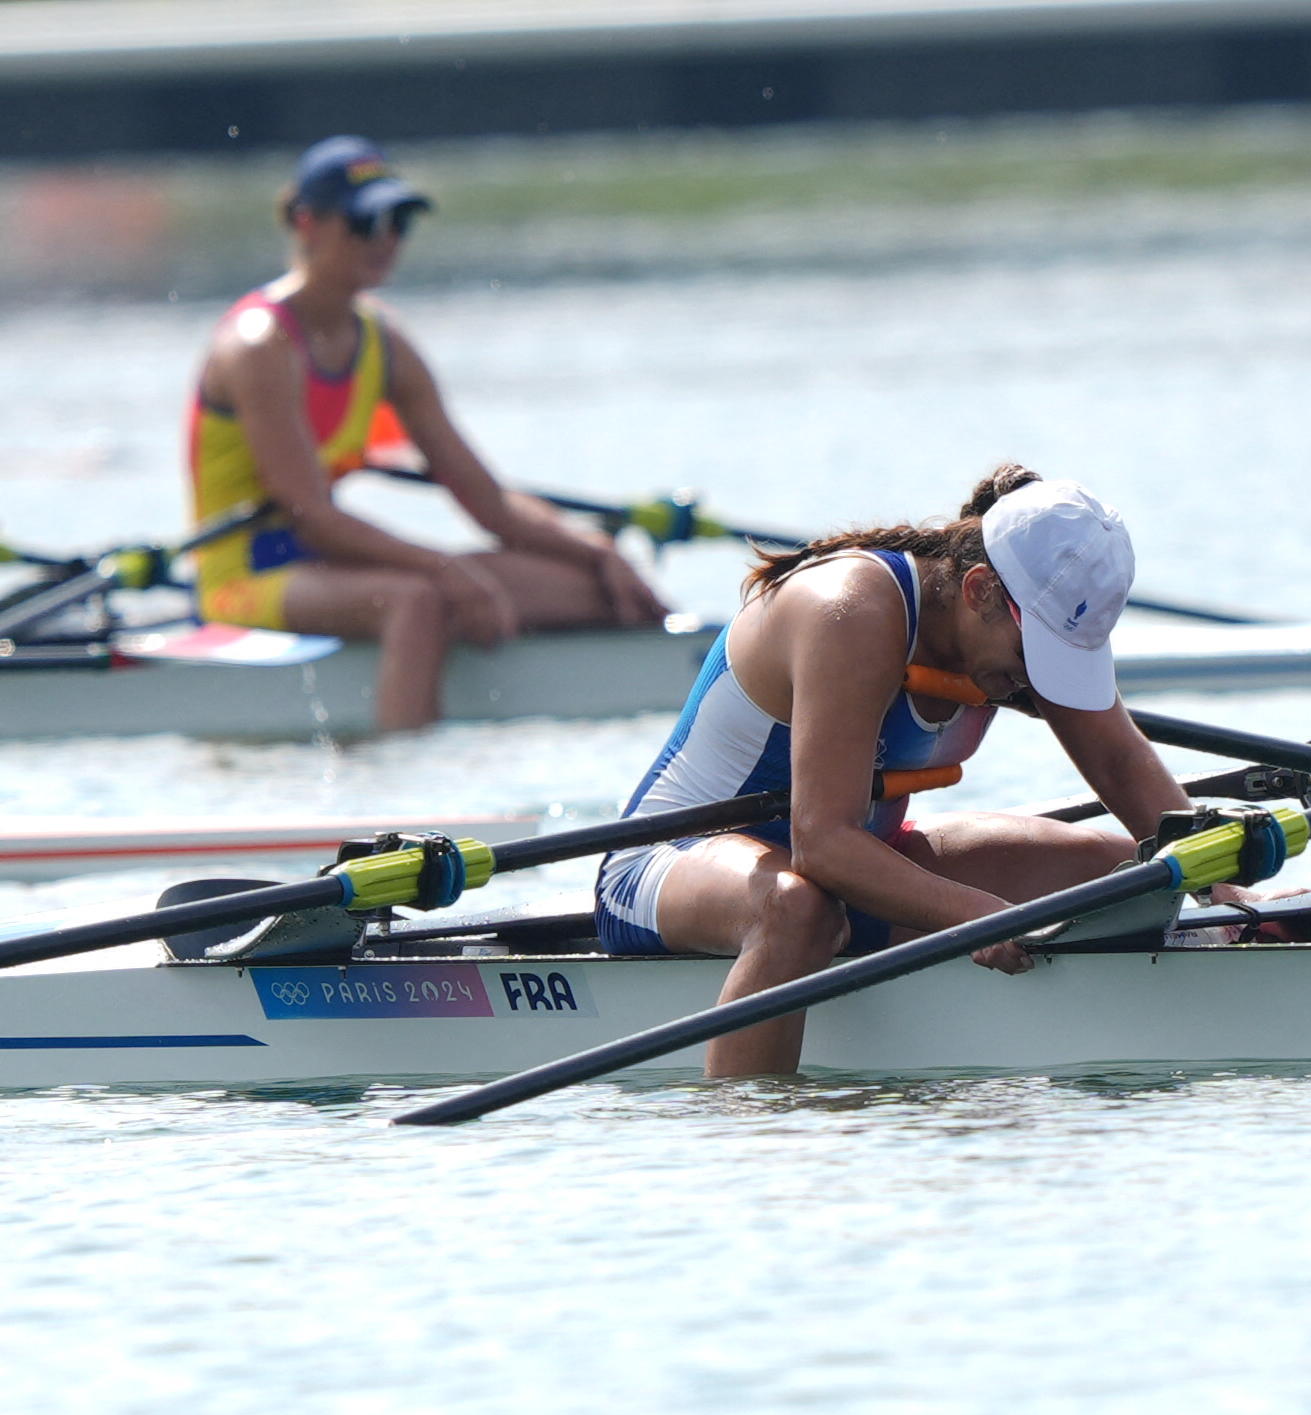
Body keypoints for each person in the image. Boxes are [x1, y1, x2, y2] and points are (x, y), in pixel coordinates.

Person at [597, 464, 1218, 1076]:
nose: (1038, 680)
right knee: (796, 909)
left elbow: (1119, 758)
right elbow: (822, 846)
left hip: (852, 873)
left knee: (1123, 874)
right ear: (977, 591)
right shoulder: (849, 610)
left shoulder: (1011, 620)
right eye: (1036, 654)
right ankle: (755, 1139)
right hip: (669, 867)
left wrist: (1223, 888)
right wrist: (976, 917)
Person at [186, 135, 666, 733]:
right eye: (365, 222)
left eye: (399, 222)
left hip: (339, 569)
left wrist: (593, 550)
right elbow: (312, 516)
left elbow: (487, 502)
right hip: (248, 577)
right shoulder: (259, 345)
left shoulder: (384, 344)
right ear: (307, 223)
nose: (386, 239)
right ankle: (412, 788)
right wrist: (445, 570)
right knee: (416, 600)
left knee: (595, 590)